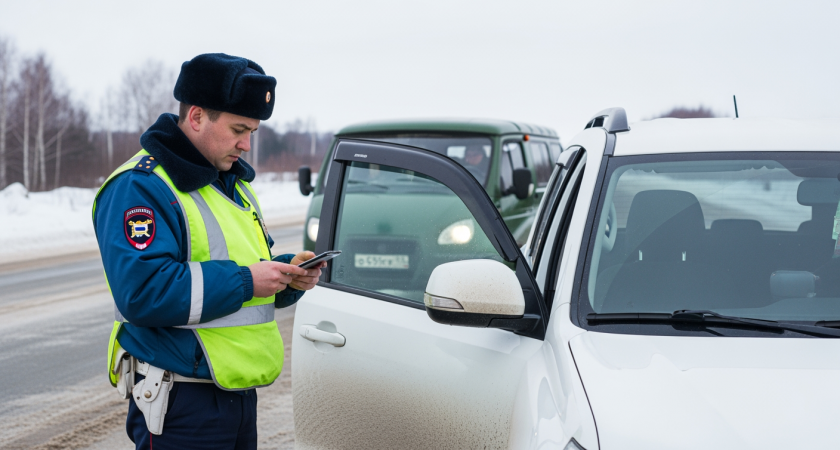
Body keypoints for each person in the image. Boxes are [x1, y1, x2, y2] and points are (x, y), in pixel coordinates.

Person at [92, 53, 325, 449]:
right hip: (180, 400)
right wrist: (248, 280)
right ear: (197, 117)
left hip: (234, 394)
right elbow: (144, 293)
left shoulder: (232, 186)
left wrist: (287, 276)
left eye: (252, 131)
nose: (246, 144)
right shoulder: (142, 187)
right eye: (238, 129)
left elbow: (241, 273)